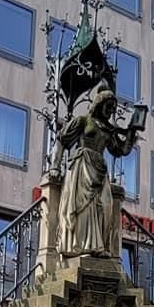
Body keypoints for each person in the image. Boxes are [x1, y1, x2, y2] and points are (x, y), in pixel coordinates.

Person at [49, 88, 138, 258]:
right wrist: (55, 166)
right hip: (82, 166)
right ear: (99, 103)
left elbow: (120, 150)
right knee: (84, 207)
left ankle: (100, 247)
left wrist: (132, 131)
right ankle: (83, 247)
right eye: (109, 106)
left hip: (99, 169)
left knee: (105, 206)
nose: (111, 110)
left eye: (113, 107)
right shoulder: (83, 121)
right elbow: (61, 140)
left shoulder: (108, 130)